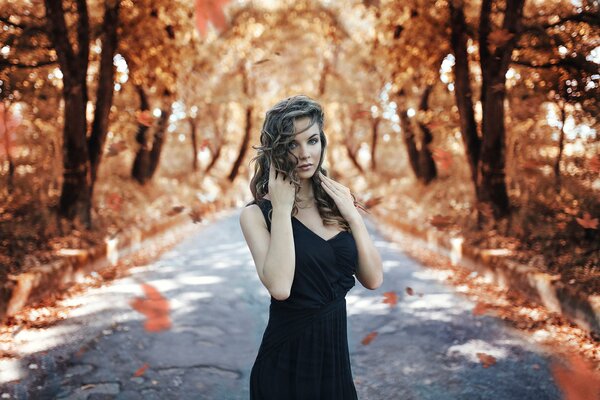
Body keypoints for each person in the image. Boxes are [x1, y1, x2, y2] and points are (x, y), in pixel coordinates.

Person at [239, 95, 383, 399]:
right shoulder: (256, 215)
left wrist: (353, 217)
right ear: (277, 151)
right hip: (284, 366)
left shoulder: (336, 203)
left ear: (322, 143)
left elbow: (373, 280)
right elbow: (280, 287)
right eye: (292, 144)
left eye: (312, 140)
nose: (305, 153)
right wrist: (280, 208)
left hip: (335, 366)